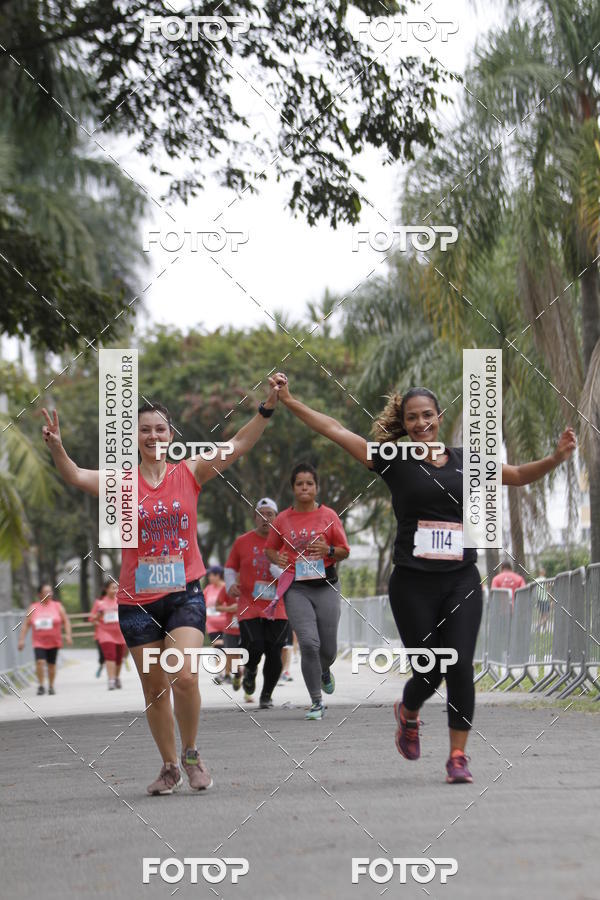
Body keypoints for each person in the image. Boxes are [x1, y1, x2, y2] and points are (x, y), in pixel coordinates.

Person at [272, 374, 576, 780]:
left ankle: (457, 757)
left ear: (438, 416)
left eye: (427, 415)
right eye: (412, 418)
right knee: (431, 669)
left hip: (460, 578)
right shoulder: (393, 459)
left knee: (461, 666)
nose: (420, 423)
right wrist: (290, 401)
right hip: (413, 582)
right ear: (405, 422)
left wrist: (555, 458)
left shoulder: (468, 459)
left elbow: (517, 475)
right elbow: (335, 430)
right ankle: (408, 712)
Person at [40, 378, 282, 795]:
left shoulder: (189, 472)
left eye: (160, 429)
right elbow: (77, 475)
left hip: (184, 592)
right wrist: (58, 447)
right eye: (145, 429)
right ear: (134, 437)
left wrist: (266, 409)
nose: (153, 435)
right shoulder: (121, 482)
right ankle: (169, 766)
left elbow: (238, 445)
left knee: (184, 675)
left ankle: (191, 753)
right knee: (154, 689)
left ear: (172, 436)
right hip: (136, 602)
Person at [264, 465, 350, 719]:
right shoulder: (282, 519)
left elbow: (345, 550)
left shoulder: (329, 516)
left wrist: (329, 551)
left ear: (316, 487)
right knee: (309, 644)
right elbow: (270, 548)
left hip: (326, 586)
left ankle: (324, 671)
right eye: (299, 484)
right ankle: (316, 702)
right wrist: (276, 559)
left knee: (329, 650)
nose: (304, 488)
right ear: (293, 488)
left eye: (309, 484)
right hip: (297, 588)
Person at [223, 497, 290, 708]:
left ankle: (266, 695)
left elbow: (293, 572)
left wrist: (278, 572)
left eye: (270, 514)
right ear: (255, 517)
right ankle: (250, 670)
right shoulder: (242, 541)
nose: (265, 519)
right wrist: (229, 585)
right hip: (249, 604)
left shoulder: (285, 542)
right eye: (261, 514)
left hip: (278, 606)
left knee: (274, 650)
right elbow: (230, 567)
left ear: (276, 518)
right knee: (255, 645)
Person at [17, 583, 72, 695]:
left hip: (54, 641)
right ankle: (41, 685)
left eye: (50, 591)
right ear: (40, 594)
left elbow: (66, 621)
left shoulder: (57, 606)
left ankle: (51, 686)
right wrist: (21, 640)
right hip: (39, 642)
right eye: (46, 592)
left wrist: (68, 635)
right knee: (40, 662)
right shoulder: (33, 607)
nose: (49, 594)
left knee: (51, 665)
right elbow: (26, 624)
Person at [89, 580, 127, 690]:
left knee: (119, 658)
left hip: (119, 633)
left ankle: (116, 677)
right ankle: (111, 680)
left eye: (116, 588)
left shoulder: (121, 601)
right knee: (110, 656)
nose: (115, 590)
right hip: (105, 633)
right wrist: (98, 619)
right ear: (106, 589)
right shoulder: (99, 603)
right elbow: (92, 618)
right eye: (113, 588)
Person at [204, 565, 228, 655]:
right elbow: (203, 604)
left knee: (227, 648)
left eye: (211, 575)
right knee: (218, 649)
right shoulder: (208, 589)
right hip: (212, 626)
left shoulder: (226, 588)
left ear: (217, 575)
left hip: (227, 624)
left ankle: (231, 668)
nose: (209, 577)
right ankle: (220, 668)